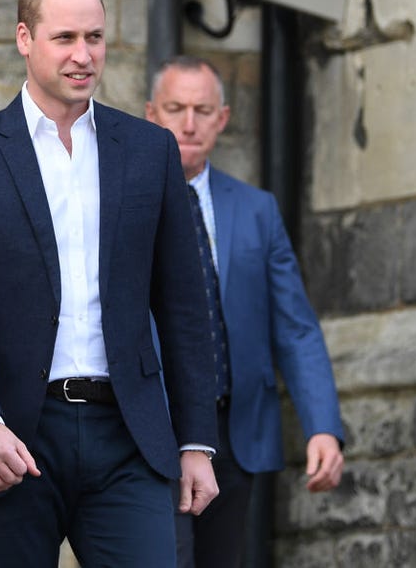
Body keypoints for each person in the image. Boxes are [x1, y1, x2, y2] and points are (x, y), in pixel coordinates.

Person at [0, 0, 219, 567]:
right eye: (65, 38)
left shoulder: (150, 149)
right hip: (12, 438)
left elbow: (184, 304)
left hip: (128, 435)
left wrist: (196, 442)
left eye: (96, 37)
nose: (84, 56)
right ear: (24, 38)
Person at [145, 55, 345, 567]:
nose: (189, 123)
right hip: (153, 431)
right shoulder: (125, 203)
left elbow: (296, 329)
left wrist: (322, 425)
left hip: (236, 433)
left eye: (202, 110)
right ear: (151, 114)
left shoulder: (257, 210)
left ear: (223, 119)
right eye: (175, 108)